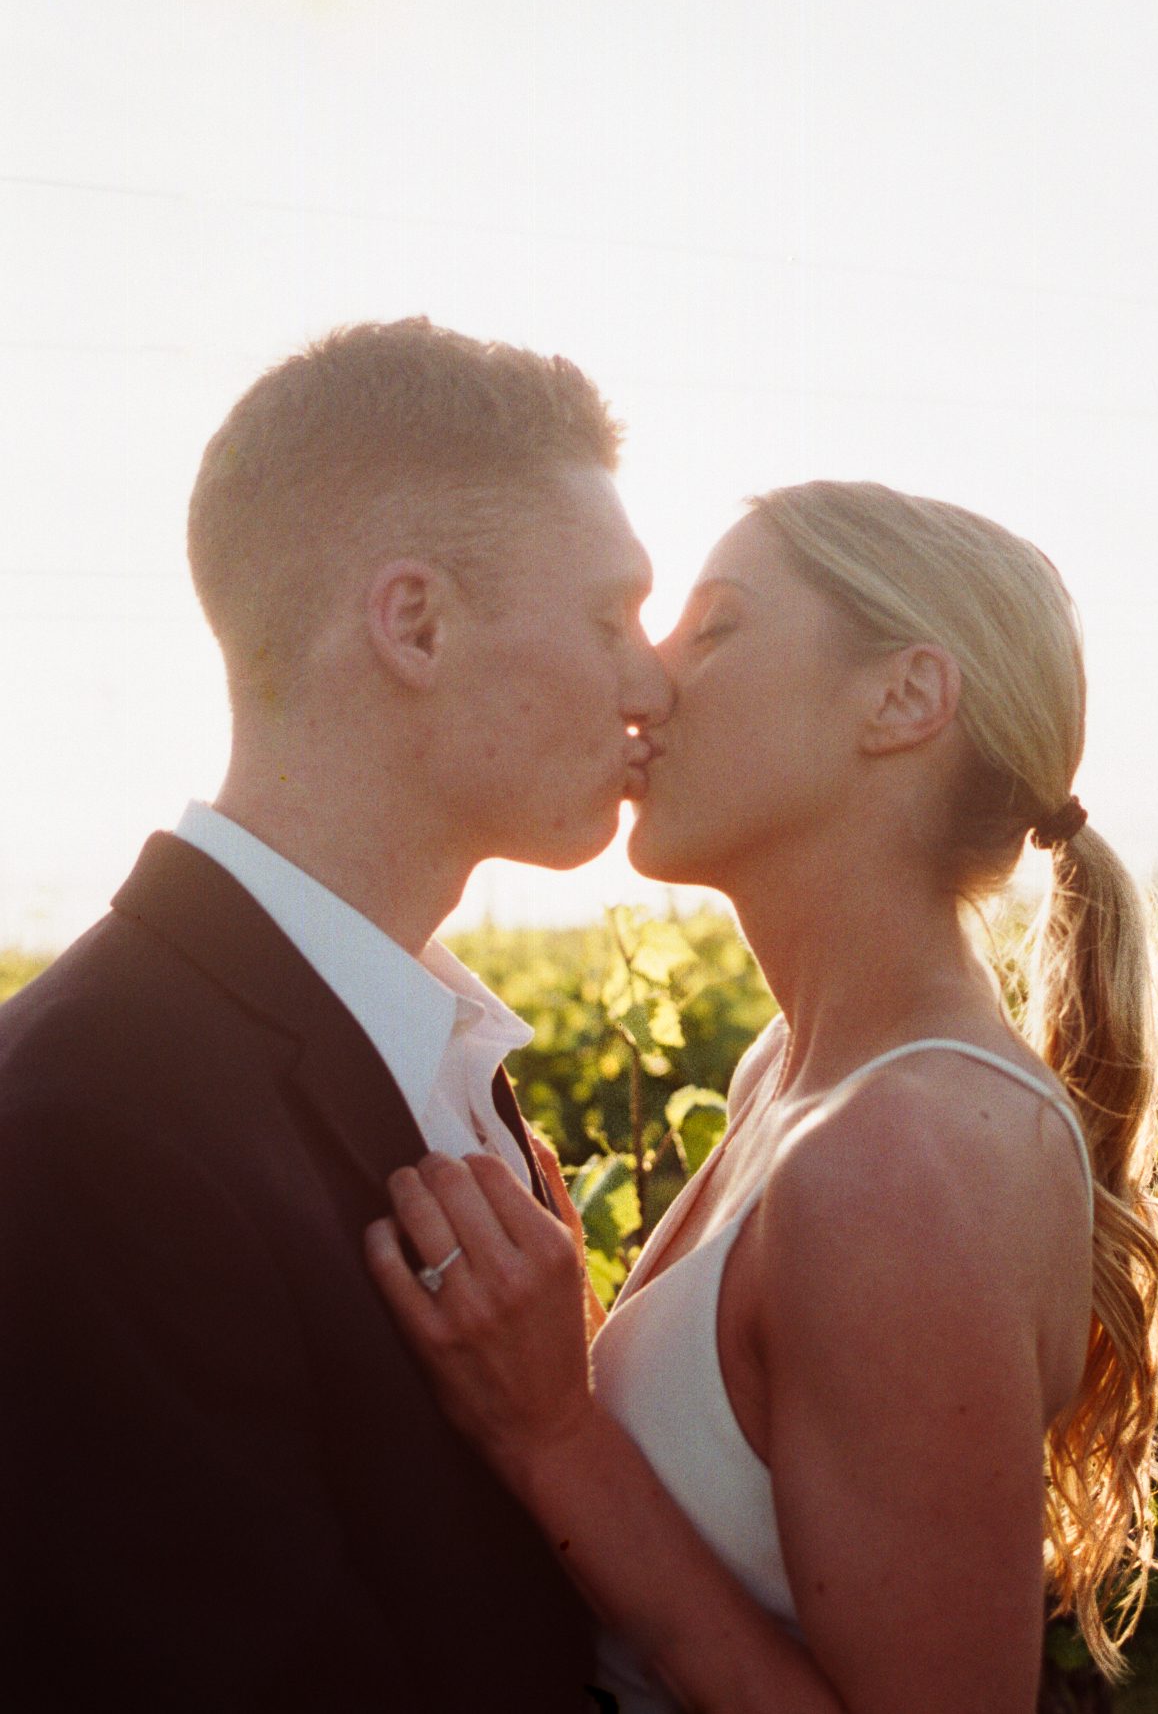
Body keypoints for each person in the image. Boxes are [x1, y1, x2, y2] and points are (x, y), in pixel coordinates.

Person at [368, 479, 1158, 1713]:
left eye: (712, 627)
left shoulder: (898, 1160)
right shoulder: (789, 1070)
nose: (649, 681)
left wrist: (553, 1436)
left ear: (900, 699)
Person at [0, 318, 673, 1711]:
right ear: (414, 622)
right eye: (611, 615)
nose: (650, 683)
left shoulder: (430, 1051)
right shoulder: (84, 1126)